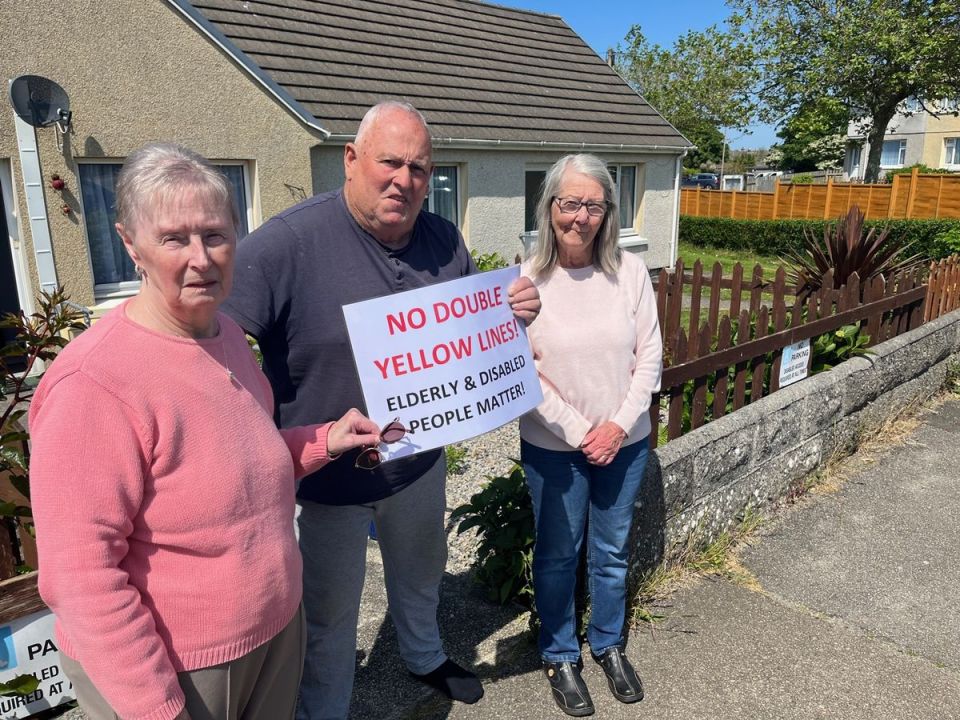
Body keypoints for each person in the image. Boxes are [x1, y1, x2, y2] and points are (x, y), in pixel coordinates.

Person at [28, 143, 381, 720]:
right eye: (174, 238)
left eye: (215, 235)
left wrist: (323, 441)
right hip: (178, 667)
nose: (201, 258)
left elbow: (241, 466)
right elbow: (81, 577)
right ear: (129, 244)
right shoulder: (94, 382)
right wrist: (157, 708)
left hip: (272, 635)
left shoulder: (225, 339)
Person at [222, 101, 540, 719]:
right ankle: (326, 710)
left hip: (418, 461)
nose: (404, 179)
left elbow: (464, 339)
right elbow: (214, 339)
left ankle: (423, 657)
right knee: (330, 613)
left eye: (419, 168)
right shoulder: (289, 242)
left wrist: (509, 314)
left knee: (422, 574)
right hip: (328, 478)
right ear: (351, 160)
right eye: (389, 162)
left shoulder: (444, 238)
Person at [519, 154, 662, 717]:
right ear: (549, 206)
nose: (579, 216)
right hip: (555, 448)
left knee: (610, 551)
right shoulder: (525, 280)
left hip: (625, 444)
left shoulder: (628, 272)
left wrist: (617, 426)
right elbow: (521, 372)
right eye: (569, 203)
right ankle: (559, 653)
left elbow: (648, 356)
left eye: (593, 205)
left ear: (608, 212)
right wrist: (583, 433)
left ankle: (607, 644)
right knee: (557, 555)